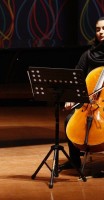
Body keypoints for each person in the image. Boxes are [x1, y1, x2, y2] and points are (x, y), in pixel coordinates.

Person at [58, 16, 104, 178]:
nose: (101, 32)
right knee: (69, 119)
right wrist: (71, 97)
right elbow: (76, 80)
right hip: (90, 101)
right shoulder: (88, 55)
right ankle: (75, 160)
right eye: (98, 29)